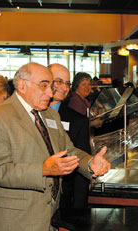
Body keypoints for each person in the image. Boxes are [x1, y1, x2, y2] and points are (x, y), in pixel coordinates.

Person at [0, 62, 111, 231]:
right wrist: (43, 169)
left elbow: (68, 150)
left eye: (51, 86)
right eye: (44, 86)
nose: (50, 93)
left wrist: (90, 163)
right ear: (22, 85)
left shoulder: (51, 115)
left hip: (51, 216)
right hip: (17, 219)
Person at [48, 64, 92, 228]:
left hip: (63, 202)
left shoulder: (78, 120)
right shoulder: (29, 115)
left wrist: (78, 210)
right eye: (58, 81)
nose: (63, 88)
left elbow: (79, 158)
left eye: (66, 83)